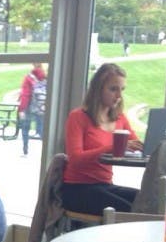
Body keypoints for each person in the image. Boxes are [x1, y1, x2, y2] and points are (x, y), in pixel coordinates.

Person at [61, 62, 143, 215]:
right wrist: (114, 147)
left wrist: (149, 145)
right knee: (131, 210)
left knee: (146, 201)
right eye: (113, 89)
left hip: (105, 185)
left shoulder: (120, 119)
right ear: (98, 89)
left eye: (122, 90)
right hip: (77, 188)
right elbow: (75, 158)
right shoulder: (78, 117)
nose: (119, 96)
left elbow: (135, 146)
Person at [17, 62, 46, 157]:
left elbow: (25, 94)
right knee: (41, 130)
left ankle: (25, 150)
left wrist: (21, 109)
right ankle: (46, 152)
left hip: (29, 107)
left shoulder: (29, 78)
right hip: (41, 107)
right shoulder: (45, 77)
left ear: (33, 65)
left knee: (25, 128)